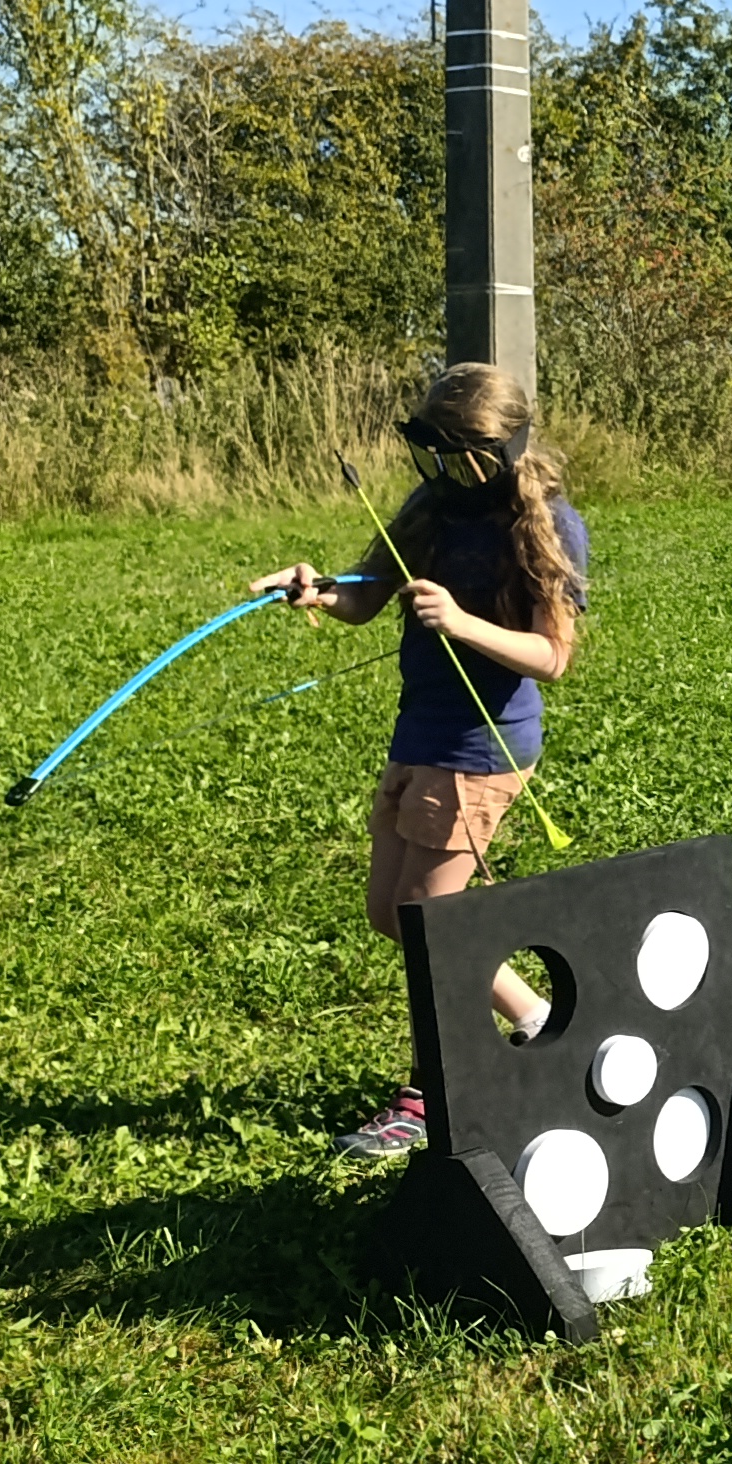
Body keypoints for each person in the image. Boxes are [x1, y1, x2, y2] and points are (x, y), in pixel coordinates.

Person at [253, 361, 589, 1162]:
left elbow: (552, 656)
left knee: (432, 927)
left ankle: (431, 1099)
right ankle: (541, 1021)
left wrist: (462, 620)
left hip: (485, 746)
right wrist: (315, 589)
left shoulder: (544, 524)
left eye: (461, 459)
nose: (444, 475)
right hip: (421, 736)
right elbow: (363, 599)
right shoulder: (428, 509)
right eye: (432, 458)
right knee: (395, 915)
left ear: (503, 451)